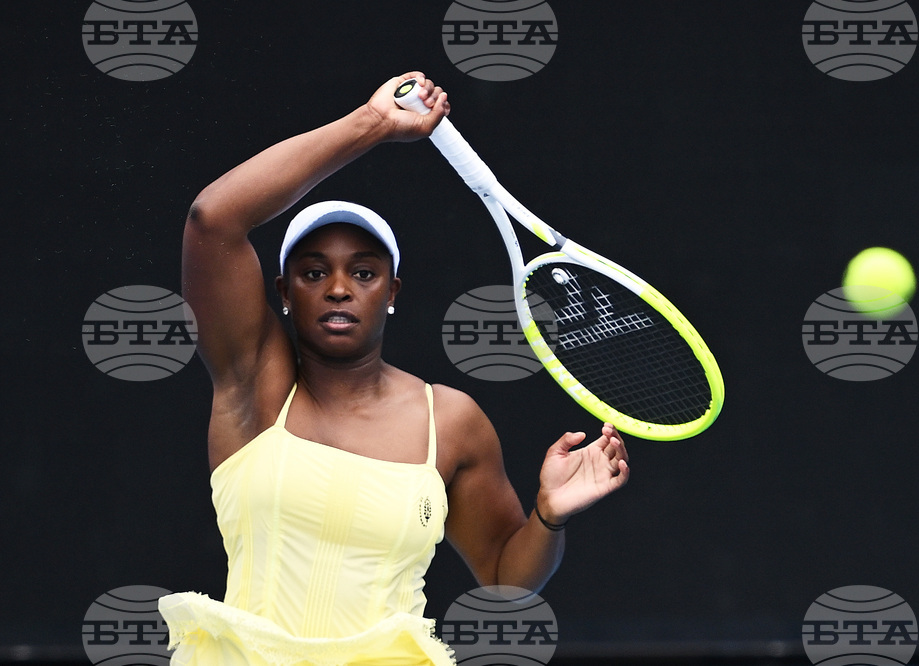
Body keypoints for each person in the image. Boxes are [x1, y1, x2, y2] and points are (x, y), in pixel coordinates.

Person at [158, 72, 630, 666]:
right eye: (312, 272)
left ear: (391, 291)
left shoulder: (450, 421)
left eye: (362, 272)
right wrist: (374, 124)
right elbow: (212, 220)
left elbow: (506, 580)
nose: (337, 289)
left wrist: (548, 515)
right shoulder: (253, 382)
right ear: (282, 290)